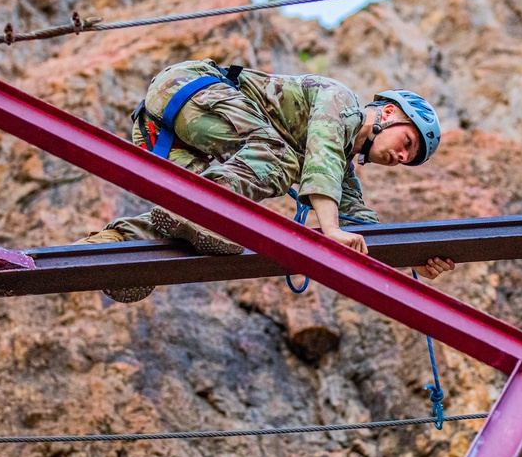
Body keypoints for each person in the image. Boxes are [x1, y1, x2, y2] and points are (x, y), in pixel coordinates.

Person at [78, 59, 455, 303]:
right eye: (407, 143)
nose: (402, 157)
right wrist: (330, 228)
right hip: (190, 91)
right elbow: (320, 155)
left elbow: (362, 229)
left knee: (183, 229)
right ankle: (202, 209)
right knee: (283, 160)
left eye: (409, 160)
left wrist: (408, 264)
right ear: (389, 113)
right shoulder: (340, 101)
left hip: (168, 134)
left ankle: (107, 248)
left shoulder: (342, 168)